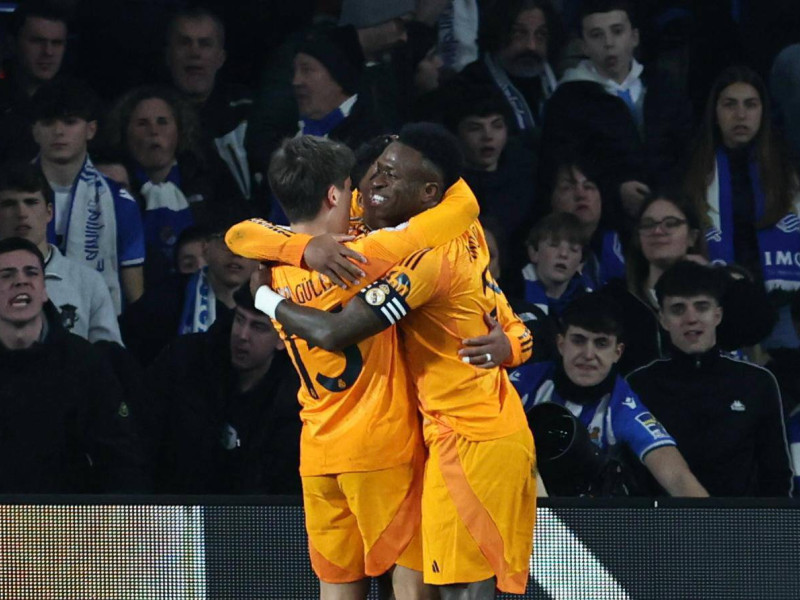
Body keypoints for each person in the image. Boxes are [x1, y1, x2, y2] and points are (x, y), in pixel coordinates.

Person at [241, 125, 536, 597]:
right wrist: (517, 342)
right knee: (423, 586)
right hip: (385, 446)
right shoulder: (370, 251)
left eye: (389, 175)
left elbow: (242, 235)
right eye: (373, 172)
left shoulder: (275, 266)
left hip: (340, 448)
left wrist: (262, 294)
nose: (372, 184)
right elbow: (463, 209)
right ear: (340, 193)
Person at [510, 293, 708, 497]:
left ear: (617, 352)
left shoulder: (622, 405)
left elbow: (677, 477)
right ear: (561, 344)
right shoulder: (523, 382)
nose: (588, 354)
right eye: (579, 341)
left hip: (588, 519)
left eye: (601, 344)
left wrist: (717, 527)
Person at [627, 260, 794, 496]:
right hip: (659, 528)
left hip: (740, 528)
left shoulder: (757, 383)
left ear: (718, 315)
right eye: (678, 309)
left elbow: (776, 476)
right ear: (662, 319)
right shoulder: (639, 386)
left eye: (701, 307)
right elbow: (631, 475)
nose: (691, 318)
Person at [0, 237, 147, 492]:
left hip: (69, 522)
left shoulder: (84, 361)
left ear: (44, 290)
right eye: (6, 275)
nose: (21, 280)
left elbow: (121, 461)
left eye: (31, 273)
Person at [538, 0, 693, 230]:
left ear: (635, 37)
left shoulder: (665, 87)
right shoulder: (567, 101)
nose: (609, 44)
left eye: (617, 32)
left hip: (672, 215)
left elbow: (688, 151)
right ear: (583, 46)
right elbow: (564, 170)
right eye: (596, 35)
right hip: (606, 227)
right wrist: (615, 189)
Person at [683, 65, 800, 348]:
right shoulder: (692, 171)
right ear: (715, 113)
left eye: (751, 104)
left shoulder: (788, 170)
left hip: (783, 304)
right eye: (729, 105)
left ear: (763, 111)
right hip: (713, 304)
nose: (741, 115)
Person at [145, 284, 301, 494]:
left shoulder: (295, 394)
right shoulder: (185, 361)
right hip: (181, 507)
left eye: (258, 327)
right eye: (239, 319)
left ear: (283, 340)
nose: (242, 335)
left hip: (256, 516)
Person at [601, 192, 774, 374]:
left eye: (671, 223)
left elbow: (759, 325)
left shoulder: (719, 290)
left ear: (692, 236)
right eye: (648, 224)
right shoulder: (616, 299)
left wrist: (717, 277)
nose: (658, 231)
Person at [104, 85, 250, 286]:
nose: (153, 131)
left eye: (162, 122)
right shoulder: (114, 186)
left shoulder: (208, 177)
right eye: (142, 123)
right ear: (125, 133)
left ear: (180, 131)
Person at [30, 78, 146, 314]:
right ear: (34, 130)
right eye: (49, 121)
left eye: (70, 121)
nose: (59, 131)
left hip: (97, 334)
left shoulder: (119, 202)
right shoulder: (9, 197)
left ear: (90, 130)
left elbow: (135, 294)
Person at [0, 161, 121, 344]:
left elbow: (110, 359)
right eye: (9, 204)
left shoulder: (88, 283)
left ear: (49, 212)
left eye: (31, 202)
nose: (21, 213)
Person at [444, 83, 537, 291]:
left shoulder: (525, 174)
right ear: (457, 133)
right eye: (475, 128)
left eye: (497, 125)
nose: (488, 136)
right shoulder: (447, 185)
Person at [120, 226, 257, 367]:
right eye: (228, 241)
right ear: (206, 249)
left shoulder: (270, 309)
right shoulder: (164, 299)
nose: (237, 253)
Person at [165, 7, 255, 206]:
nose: (194, 52)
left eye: (204, 44)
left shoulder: (248, 110)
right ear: (168, 55)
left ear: (220, 58)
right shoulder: (150, 115)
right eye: (184, 43)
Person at [460, 0, 564, 144]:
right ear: (497, 34)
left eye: (541, 34)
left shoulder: (562, 83)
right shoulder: (467, 85)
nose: (531, 46)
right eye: (519, 33)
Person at [0, 1, 69, 163]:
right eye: (37, 41)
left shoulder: (81, 101)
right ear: (12, 43)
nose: (48, 52)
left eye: (57, 43)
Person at [547, 153, 626, 287]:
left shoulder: (623, 246)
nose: (580, 194)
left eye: (588, 186)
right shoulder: (541, 252)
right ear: (551, 199)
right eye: (567, 187)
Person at [522, 212, 591, 316]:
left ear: (580, 263)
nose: (563, 254)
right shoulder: (509, 293)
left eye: (573, 249)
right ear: (534, 252)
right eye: (554, 245)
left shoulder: (590, 301)